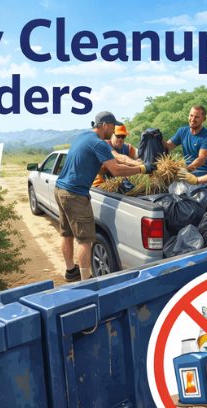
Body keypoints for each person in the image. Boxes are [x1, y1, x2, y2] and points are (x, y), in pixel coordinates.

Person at [56, 111, 147, 281]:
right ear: (105, 125)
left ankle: (70, 270)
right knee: (85, 240)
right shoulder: (99, 144)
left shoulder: (82, 136)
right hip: (75, 194)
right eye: (113, 126)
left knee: (67, 234)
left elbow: (93, 165)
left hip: (60, 189)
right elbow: (117, 170)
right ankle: (86, 281)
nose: (114, 131)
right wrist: (142, 169)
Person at [164, 105, 207, 175]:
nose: (192, 119)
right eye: (191, 115)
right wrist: (157, 138)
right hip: (190, 171)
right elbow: (168, 146)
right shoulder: (182, 131)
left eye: (197, 117)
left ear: (204, 119)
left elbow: (201, 160)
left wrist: (184, 171)